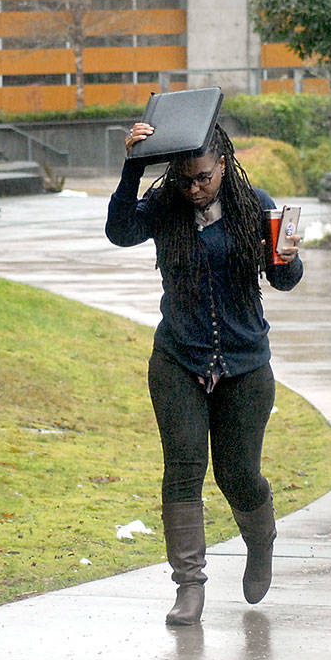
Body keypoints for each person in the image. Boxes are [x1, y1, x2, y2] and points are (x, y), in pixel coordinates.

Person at [105, 120, 303, 627]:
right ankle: (188, 586)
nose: (195, 188)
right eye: (186, 178)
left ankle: (261, 540)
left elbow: (283, 280)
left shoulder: (252, 204)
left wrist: (287, 256)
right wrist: (133, 164)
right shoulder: (167, 205)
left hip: (244, 365)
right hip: (178, 360)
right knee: (184, 470)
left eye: (204, 178)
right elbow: (120, 230)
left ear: (224, 165)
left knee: (237, 475)